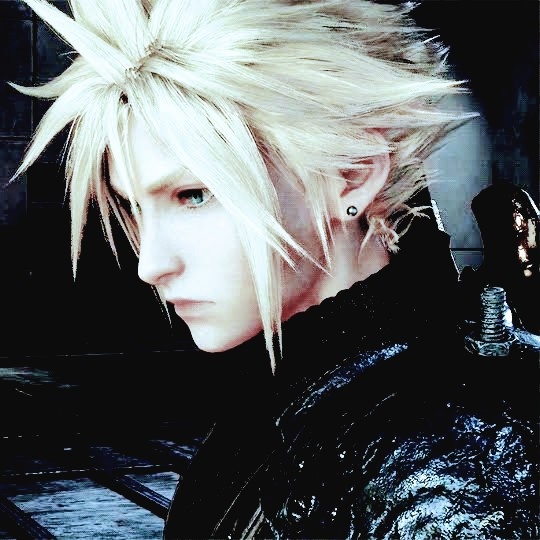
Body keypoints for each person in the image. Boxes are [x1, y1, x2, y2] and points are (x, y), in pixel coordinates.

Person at [11, 0, 538, 538]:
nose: (151, 264)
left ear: (352, 175)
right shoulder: (289, 399)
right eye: (134, 206)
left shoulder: (447, 449)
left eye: (193, 195)